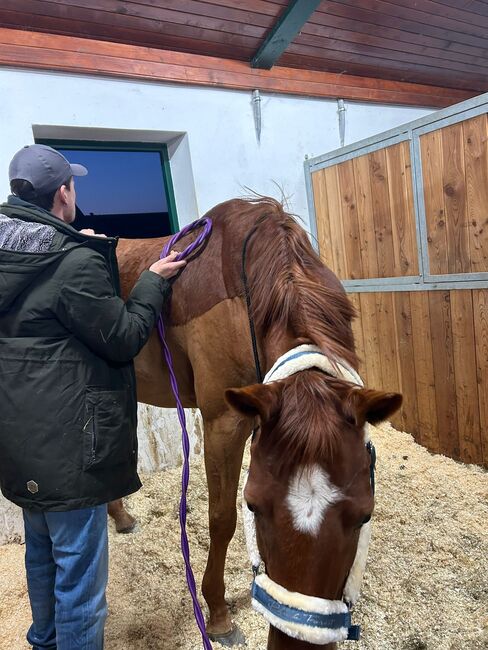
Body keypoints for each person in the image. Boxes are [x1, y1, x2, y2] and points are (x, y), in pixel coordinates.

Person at [0, 144, 185, 649]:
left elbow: (45, 323)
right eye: (73, 185)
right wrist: (148, 282)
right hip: (69, 452)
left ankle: (43, 642)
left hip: (18, 447)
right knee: (80, 582)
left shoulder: (15, 250)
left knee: (39, 557)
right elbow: (122, 337)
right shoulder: (72, 262)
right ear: (63, 193)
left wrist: (79, 249)